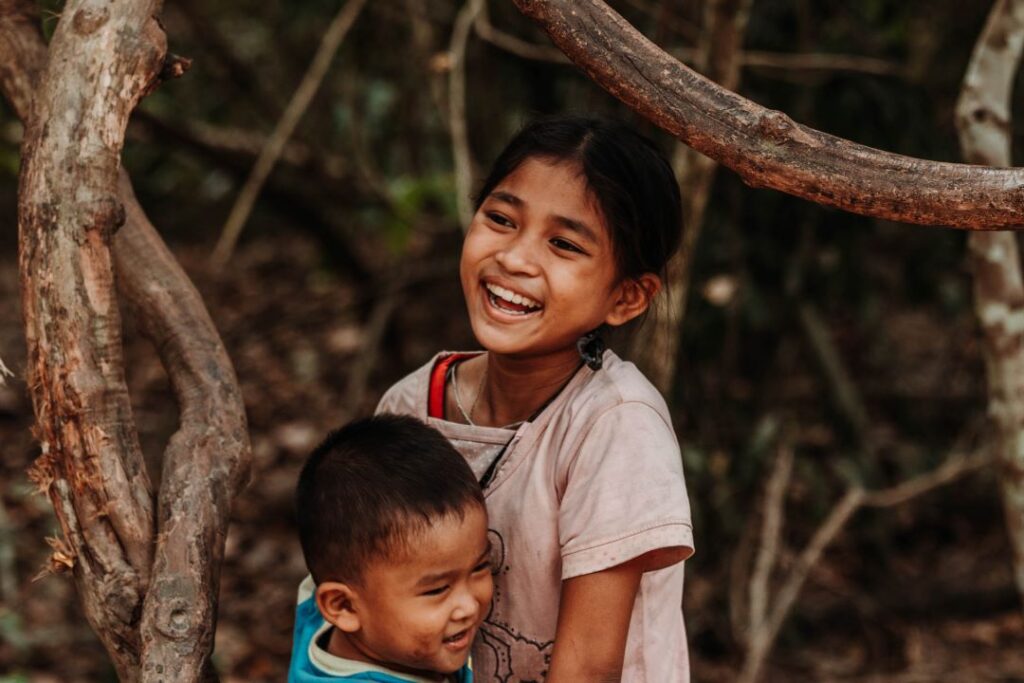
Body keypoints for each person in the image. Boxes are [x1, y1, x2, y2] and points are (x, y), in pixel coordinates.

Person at [377, 116, 695, 682]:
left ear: (627, 296)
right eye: (500, 219)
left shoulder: (615, 426)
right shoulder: (410, 406)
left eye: (564, 244)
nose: (516, 259)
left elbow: (588, 671)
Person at [289, 414, 494, 682]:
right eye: (437, 589)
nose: (468, 606)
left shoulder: (324, 605)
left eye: (479, 567)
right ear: (344, 606)